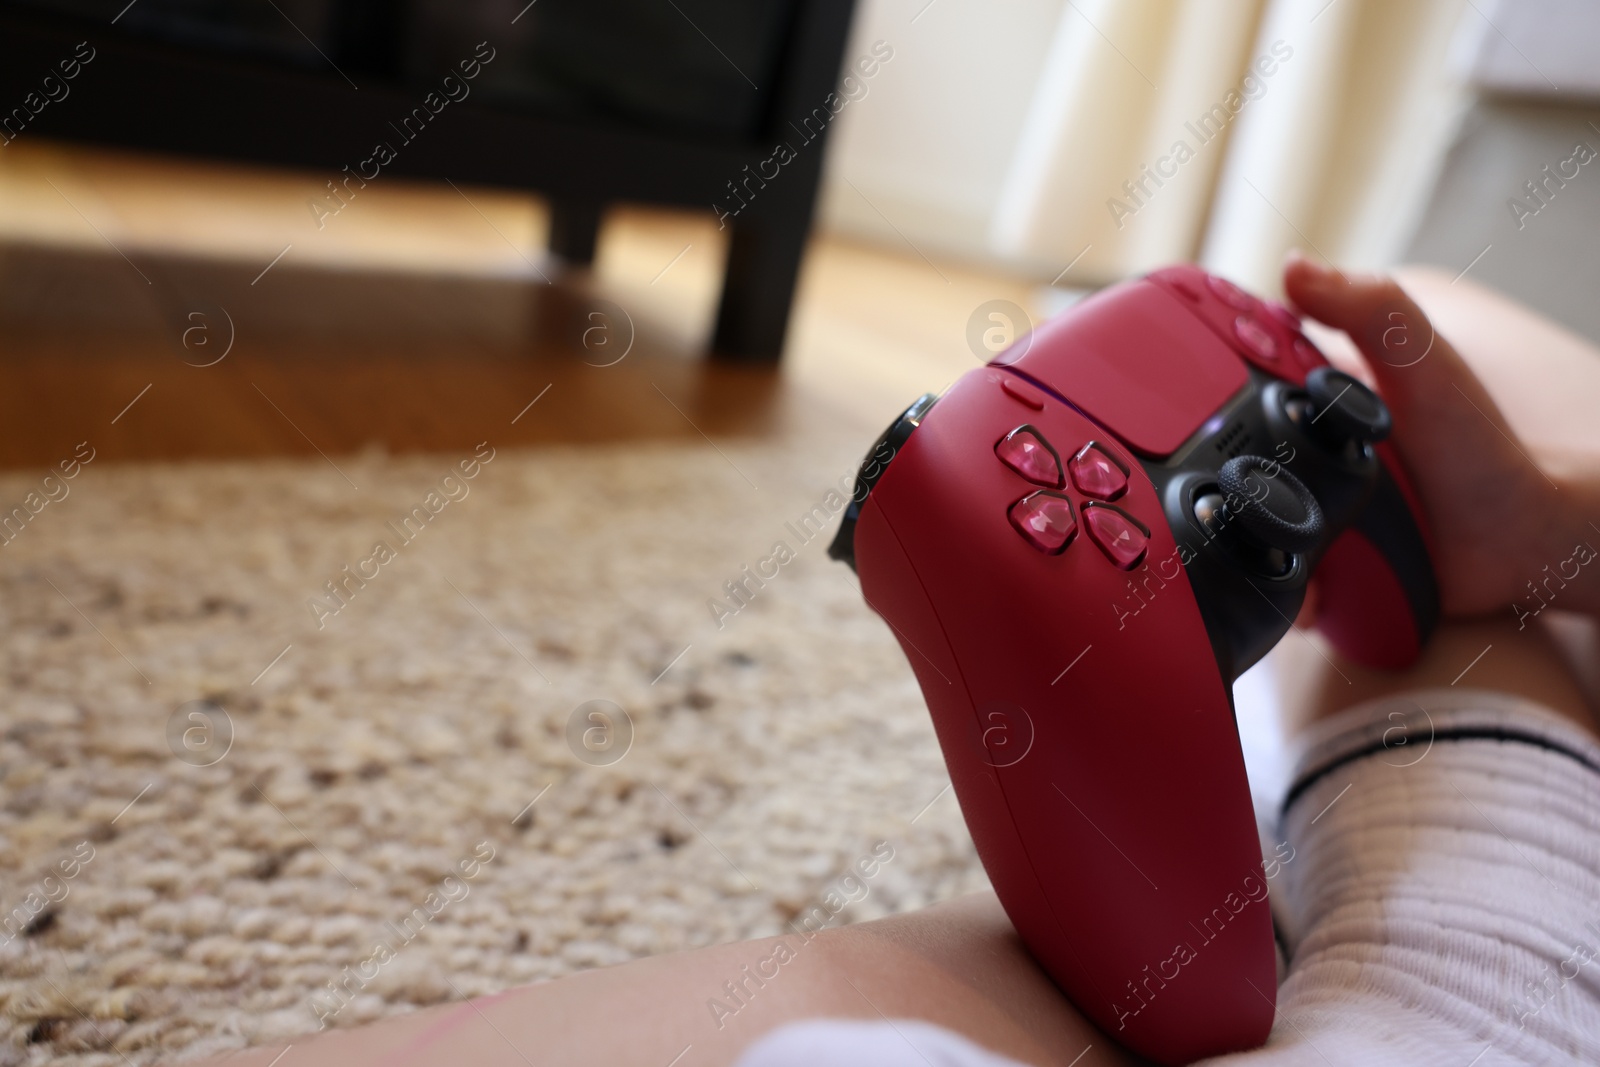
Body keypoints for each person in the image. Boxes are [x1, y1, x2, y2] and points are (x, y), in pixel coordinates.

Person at [198, 255, 1600, 1066]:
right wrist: (1532, 519)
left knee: (1201, 994)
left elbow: (1211, 1009)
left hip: (1470, 992)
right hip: (1458, 955)